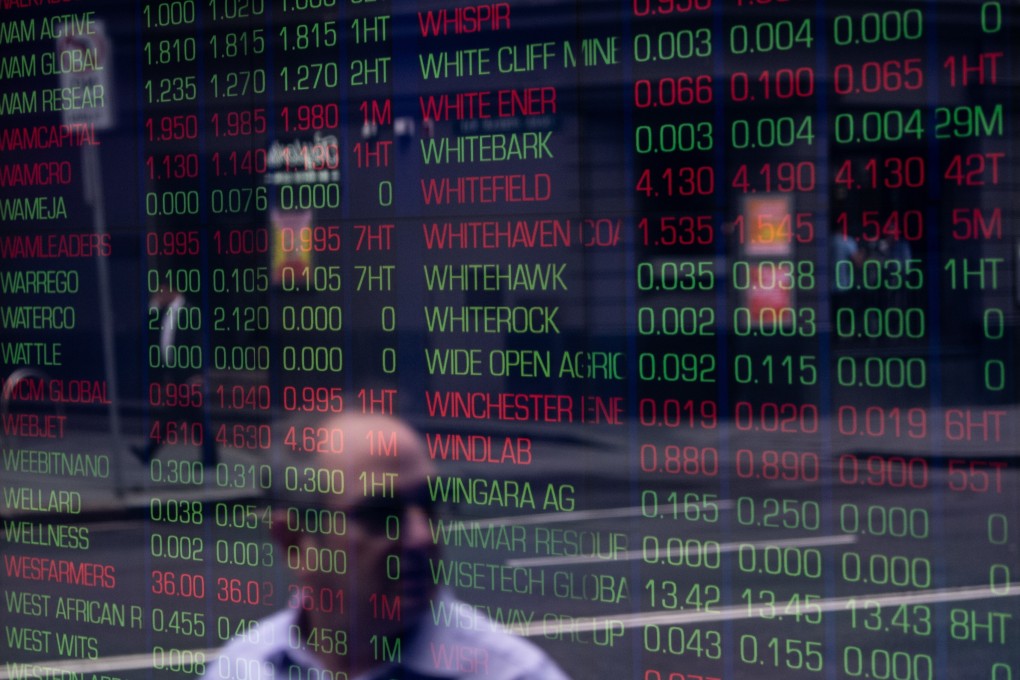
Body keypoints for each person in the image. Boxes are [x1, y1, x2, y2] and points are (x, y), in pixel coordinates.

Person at [204, 413, 571, 680]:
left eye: (430, 503)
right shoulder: (241, 669)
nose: (422, 536)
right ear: (295, 542)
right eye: (382, 513)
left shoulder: (514, 673)